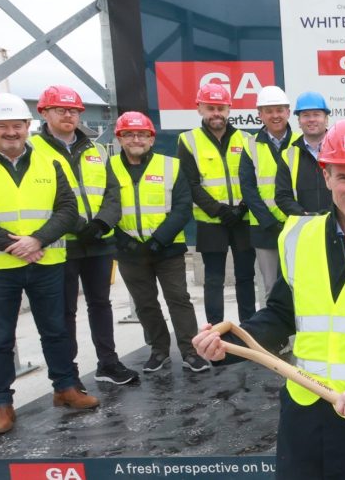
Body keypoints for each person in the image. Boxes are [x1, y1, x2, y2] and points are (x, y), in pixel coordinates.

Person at [193, 118, 345, 479]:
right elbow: (280, 313)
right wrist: (227, 344)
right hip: (308, 413)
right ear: (326, 177)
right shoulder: (297, 237)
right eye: (344, 177)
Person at [0, 94, 99, 435]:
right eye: (2, 126)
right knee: (0, 338)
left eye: (17, 125)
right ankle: (2, 404)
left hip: (45, 261)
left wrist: (37, 240)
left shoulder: (50, 165)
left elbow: (66, 210)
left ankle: (65, 388)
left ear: (27, 127)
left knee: (56, 330)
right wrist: (12, 245)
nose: (11, 132)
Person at [30, 85, 135, 385]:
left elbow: (112, 193)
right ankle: (69, 373)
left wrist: (101, 224)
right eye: (61, 110)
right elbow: (39, 197)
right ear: (45, 113)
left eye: (73, 110)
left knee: (100, 304)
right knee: (65, 311)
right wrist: (76, 226)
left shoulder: (96, 149)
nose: (68, 115)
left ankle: (108, 363)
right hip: (60, 244)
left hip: (99, 242)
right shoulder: (34, 151)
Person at [109, 112, 210, 373]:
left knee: (178, 299)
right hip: (128, 249)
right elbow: (104, 207)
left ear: (151, 139)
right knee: (145, 304)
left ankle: (190, 351)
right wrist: (123, 240)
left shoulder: (170, 166)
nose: (136, 139)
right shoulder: (108, 168)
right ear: (119, 138)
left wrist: (158, 240)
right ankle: (159, 350)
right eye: (129, 134)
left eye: (142, 134)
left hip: (167, 249)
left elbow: (182, 207)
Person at [177, 83, 257, 325]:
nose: (216, 113)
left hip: (242, 219)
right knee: (213, 280)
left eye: (220, 108)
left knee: (246, 277)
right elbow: (190, 184)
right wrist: (220, 210)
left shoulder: (245, 138)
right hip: (211, 221)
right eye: (210, 108)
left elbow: (252, 179)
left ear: (229, 109)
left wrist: (242, 208)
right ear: (199, 108)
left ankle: (249, 329)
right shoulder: (188, 140)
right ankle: (216, 332)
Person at [239, 85, 299, 299]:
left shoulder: (300, 142)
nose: (275, 115)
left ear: (288, 112)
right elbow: (248, 189)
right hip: (265, 229)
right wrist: (269, 222)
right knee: (270, 288)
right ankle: (272, 333)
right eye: (269, 111)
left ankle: (298, 333)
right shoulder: (250, 145)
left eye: (280, 110)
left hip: (297, 224)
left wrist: (297, 217)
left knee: (299, 285)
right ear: (260, 115)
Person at [275, 91, 333, 216]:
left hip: (337, 224)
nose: (311, 119)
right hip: (301, 225)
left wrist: (331, 214)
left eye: (316, 114)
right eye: (306, 115)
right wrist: (303, 215)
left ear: (326, 119)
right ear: (299, 121)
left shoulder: (339, 150)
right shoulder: (287, 155)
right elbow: (282, 196)